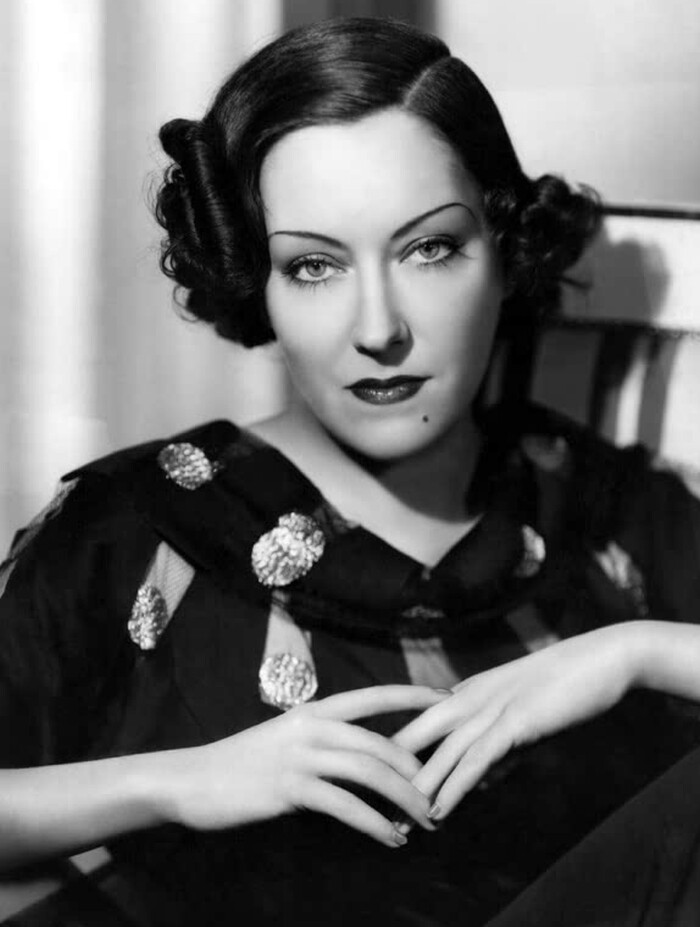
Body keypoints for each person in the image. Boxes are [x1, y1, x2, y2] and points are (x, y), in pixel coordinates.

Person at [2, 16, 700, 927]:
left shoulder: (614, 514)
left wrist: (640, 652)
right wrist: (180, 781)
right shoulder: (134, 526)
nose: (378, 328)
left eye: (429, 248)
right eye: (313, 265)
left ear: (504, 253)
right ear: (257, 283)